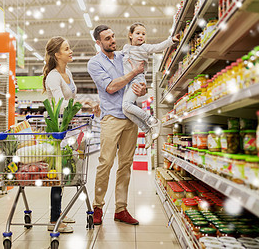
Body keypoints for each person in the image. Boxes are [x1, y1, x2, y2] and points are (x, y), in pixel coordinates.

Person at [87, 24, 146, 226]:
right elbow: (111, 87)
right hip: (111, 117)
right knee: (105, 163)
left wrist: (142, 88)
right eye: (107, 38)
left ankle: (121, 209)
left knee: (125, 165)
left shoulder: (124, 56)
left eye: (113, 36)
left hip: (131, 118)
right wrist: (133, 74)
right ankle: (98, 207)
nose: (113, 40)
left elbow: (137, 84)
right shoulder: (94, 63)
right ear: (98, 42)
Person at [122, 22, 180, 149]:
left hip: (137, 79)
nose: (141, 36)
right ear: (130, 35)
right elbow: (117, 56)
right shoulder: (126, 48)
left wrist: (171, 40)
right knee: (125, 110)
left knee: (126, 105)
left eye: (143, 34)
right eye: (138, 33)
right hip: (128, 81)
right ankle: (146, 130)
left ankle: (152, 120)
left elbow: (158, 47)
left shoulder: (144, 48)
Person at [42, 36, 77, 233]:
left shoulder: (68, 72)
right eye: (67, 48)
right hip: (55, 128)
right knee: (56, 174)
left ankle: (59, 213)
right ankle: (53, 218)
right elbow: (58, 104)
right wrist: (80, 106)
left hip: (67, 127)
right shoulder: (53, 76)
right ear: (57, 55)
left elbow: (72, 98)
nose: (70, 51)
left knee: (63, 171)